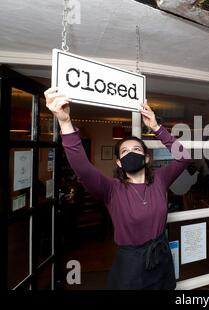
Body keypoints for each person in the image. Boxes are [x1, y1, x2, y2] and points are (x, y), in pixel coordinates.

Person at [44, 87, 191, 290]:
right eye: (125, 151)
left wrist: (157, 127)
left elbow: (184, 156)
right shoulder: (112, 190)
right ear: (119, 162)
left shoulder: (159, 179)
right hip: (131, 264)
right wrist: (65, 121)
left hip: (161, 256)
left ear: (147, 158)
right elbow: (83, 169)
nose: (131, 153)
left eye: (137, 149)